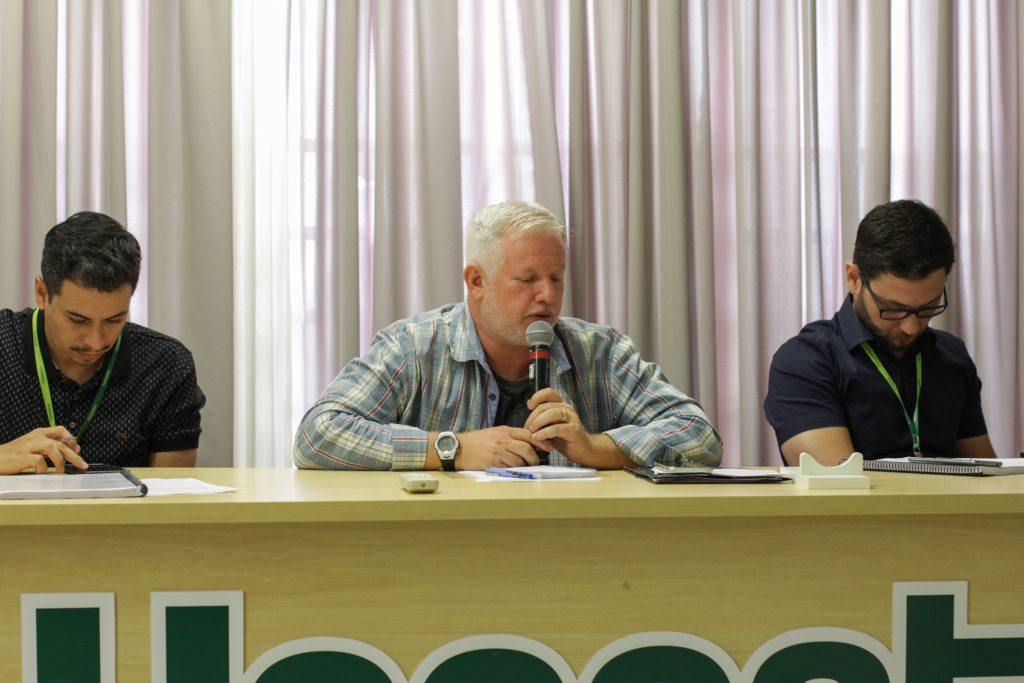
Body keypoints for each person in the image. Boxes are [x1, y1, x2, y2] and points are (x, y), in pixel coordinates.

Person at [294, 200, 723, 471]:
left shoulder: (600, 351)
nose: (548, 295)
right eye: (527, 279)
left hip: (574, 555)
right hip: (443, 554)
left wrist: (596, 449)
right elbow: (318, 434)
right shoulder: (412, 347)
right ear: (476, 281)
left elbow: (698, 433)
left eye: (556, 278)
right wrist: (451, 449)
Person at [764, 199, 995, 465]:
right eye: (893, 308)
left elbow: (986, 473)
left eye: (928, 307)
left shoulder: (952, 355)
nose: (911, 327)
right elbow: (838, 482)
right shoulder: (805, 361)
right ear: (854, 279)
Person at [0, 211, 205, 473]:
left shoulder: (165, 364)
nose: (96, 342)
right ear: (42, 293)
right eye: (77, 320)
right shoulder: (4, 342)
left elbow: (172, 489)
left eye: (114, 320)